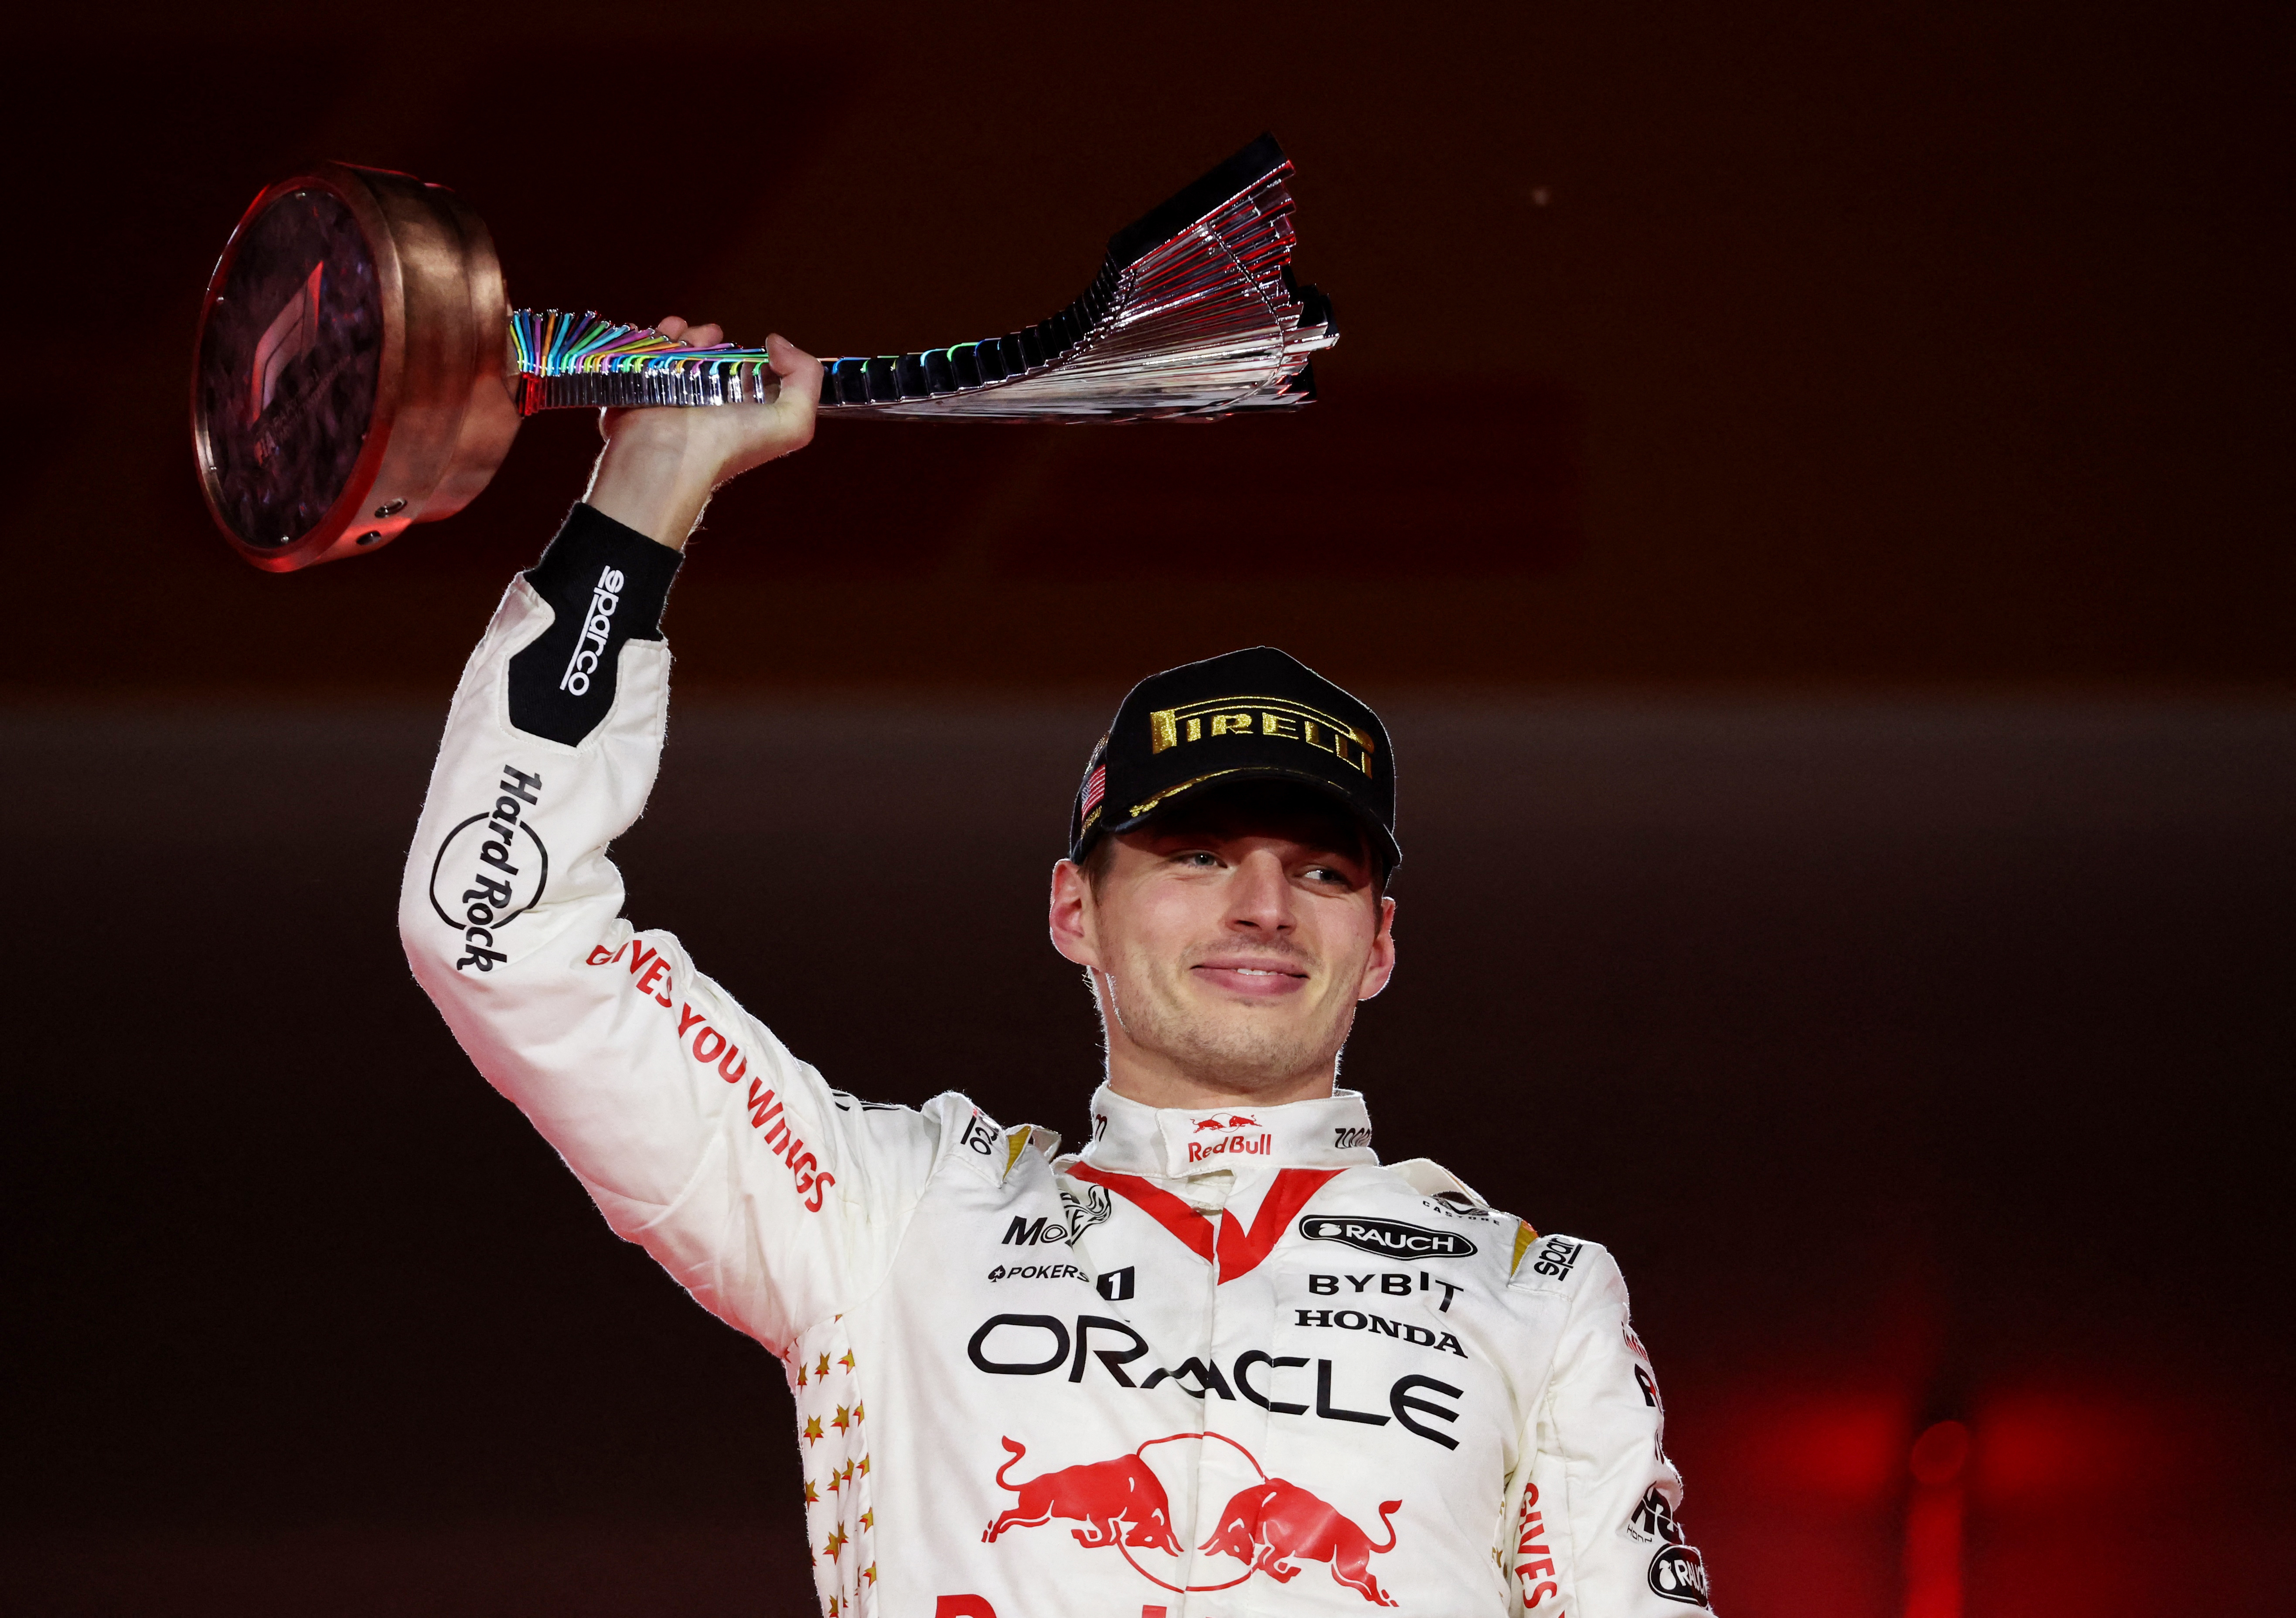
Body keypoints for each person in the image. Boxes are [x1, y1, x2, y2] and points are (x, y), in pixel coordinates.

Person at [399, 322, 1713, 1617]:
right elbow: (498, 931)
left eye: (1320, 871)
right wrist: (641, 502)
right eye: (1195, 856)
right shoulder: (882, 1219)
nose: (1262, 906)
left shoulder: (1533, 1297)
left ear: (1377, 946)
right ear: (1072, 910)